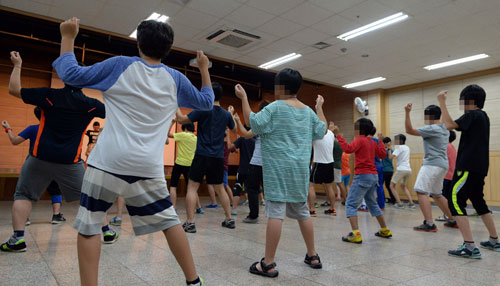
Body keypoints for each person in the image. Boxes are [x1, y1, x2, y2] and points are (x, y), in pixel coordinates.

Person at [53, 17, 211, 285]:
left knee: (90, 225)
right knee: (169, 221)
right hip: (147, 167)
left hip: (107, 162)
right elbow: (206, 103)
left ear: (138, 43)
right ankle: (194, 281)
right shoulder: (176, 79)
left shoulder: (120, 65)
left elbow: (71, 75)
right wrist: (204, 68)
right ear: (168, 48)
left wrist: (68, 37)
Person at [1, 50, 115, 253]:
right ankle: (106, 230)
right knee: (88, 197)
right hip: (70, 161)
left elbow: (14, 90)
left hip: (39, 157)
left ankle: (17, 239)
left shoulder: (49, 95)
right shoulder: (91, 105)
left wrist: (18, 65)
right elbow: (119, 112)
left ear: (64, 76)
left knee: (23, 194)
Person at [235, 68, 327, 278]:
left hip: (277, 170)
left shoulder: (275, 108)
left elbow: (254, 123)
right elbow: (321, 130)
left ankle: (267, 264)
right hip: (299, 171)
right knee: (303, 212)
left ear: (281, 87)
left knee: (275, 213)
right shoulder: (307, 112)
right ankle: (313, 255)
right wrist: (319, 106)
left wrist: (244, 98)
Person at [438, 87, 499, 258]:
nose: (461, 104)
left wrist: (442, 102)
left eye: (462, 100)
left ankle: (470, 246)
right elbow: (449, 124)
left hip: (467, 167)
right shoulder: (483, 116)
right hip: (480, 167)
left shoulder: (472, 114)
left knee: (455, 200)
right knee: (479, 203)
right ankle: (494, 240)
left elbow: (449, 125)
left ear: (469, 101)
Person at [176, 82, 237, 233]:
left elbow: (181, 120)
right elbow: (235, 130)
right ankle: (229, 219)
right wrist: (231, 113)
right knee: (220, 188)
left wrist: (175, 104)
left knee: (192, 187)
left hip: (202, 154)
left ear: (209, 94)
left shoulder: (203, 109)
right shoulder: (226, 114)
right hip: (217, 157)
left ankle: (190, 223)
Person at [333, 119, 392, 244]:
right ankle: (385, 230)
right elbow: (382, 155)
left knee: (350, 204)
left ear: (360, 130)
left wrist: (338, 135)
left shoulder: (360, 140)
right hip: (373, 176)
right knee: (373, 204)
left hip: (363, 176)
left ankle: (356, 234)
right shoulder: (372, 141)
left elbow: (348, 149)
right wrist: (380, 141)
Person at [2, 113, 66, 224]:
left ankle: (25, 218)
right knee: (56, 190)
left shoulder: (32, 129)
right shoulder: (58, 130)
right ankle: (56, 216)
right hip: (54, 164)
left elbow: (14, 141)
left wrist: (8, 128)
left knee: (27, 193)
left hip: (34, 164)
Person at [404, 103, 457, 232]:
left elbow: (409, 130)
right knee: (437, 194)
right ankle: (452, 219)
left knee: (421, 191)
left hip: (431, 164)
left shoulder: (433, 128)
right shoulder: (445, 128)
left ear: (429, 116)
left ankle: (429, 223)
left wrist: (407, 112)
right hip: (442, 165)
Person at [233, 101, 269, 224]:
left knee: (252, 189)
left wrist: (238, 121)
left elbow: (245, 134)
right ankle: (274, 215)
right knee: (270, 190)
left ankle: (254, 216)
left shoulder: (261, 124)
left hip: (257, 161)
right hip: (271, 163)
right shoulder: (276, 123)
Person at [308, 123, 336, 217]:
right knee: (329, 187)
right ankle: (332, 209)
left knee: (310, 186)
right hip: (330, 163)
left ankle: (311, 210)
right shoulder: (331, 134)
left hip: (319, 163)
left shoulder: (315, 134)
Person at [227, 125, 255, 216]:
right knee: (252, 190)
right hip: (253, 169)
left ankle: (234, 209)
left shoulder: (242, 139)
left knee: (237, 187)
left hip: (242, 168)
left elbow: (230, 147)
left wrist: (228, 135)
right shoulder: (255, 141)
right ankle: (253, 211)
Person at [389, 134, 415, 209]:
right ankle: (411, 203)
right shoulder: (407, 147)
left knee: (391, 186)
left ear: (399, 140)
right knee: (403, 186)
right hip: (408, 170)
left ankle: (399, 204)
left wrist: (389, 149)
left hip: (401, 169)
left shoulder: (399, 148)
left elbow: (390, 157)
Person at [436, 131, 457, 222]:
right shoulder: (452, 147)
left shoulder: (445, 147)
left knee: (443, 197)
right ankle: (450, 215)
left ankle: (447, 215)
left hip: (445, 176)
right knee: (447, 197)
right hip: (452, 176)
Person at [368, 127, 385, 210]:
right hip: (380, 165)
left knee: (369, 187)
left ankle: (368, 206)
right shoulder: (377, 141)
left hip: (372, 167)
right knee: (380, 186)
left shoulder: (366, 141)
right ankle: (381, 205)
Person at [333, 136, 347, 203]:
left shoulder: (334, 144)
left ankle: (329, 201)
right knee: (340, 183)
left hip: (334, 165)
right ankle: (345, 199)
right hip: (338, 165)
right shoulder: (340, 145)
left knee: (329, 184)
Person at [382, 137, 396, 205]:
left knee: (380, 185)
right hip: (390, 170)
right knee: (388, 185)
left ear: (384, 143)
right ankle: (393, 199)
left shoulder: (383, 151)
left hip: (384, 170)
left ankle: (383, 199)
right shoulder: (392, 151)